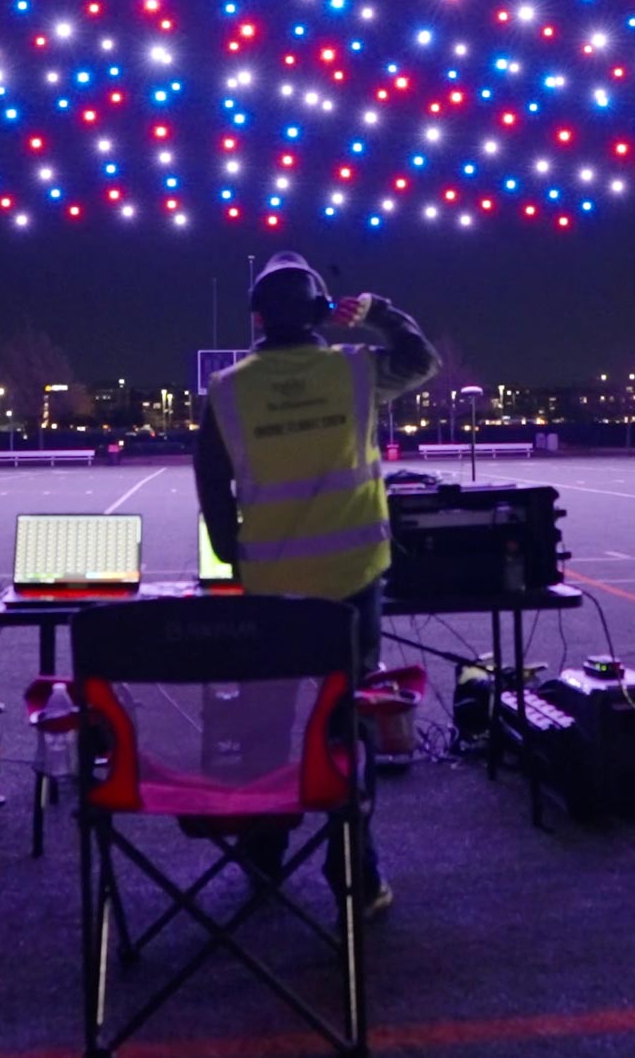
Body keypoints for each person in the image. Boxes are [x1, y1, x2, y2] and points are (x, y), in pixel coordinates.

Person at [195, 251, 440, 918]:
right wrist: (377, 311)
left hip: (272, 587)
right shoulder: (354, 372)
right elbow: (420, 359)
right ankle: (355, 879)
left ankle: (265, 856)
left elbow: (211, 482)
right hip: (353, 584)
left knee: (271, 723)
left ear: (255, 320)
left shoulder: (227, 390)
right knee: (345, 727)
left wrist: (234, 556)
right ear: (317, 312)